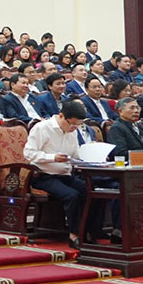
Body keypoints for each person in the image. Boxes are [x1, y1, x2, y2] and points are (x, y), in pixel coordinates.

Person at [24, 100, 104, 248]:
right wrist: (52, 157)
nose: (74, 128)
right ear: (61, 116)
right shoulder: (42, 128)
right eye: (72, 124)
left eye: (78, 125)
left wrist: (91, 155)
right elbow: (28, 153)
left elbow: (75, 155)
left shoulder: (72, 131)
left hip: (66, 174)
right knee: (71, 195)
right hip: (43, 175)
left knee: (94, 193)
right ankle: (74, 235)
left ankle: (87, 231)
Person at [107, 97, 143, 161]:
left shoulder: (142, 126)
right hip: (133, 166)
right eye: (132, 108)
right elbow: (120, 154)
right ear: (120, 111)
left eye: (138, 108)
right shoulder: (117, 128)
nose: (136, 111)